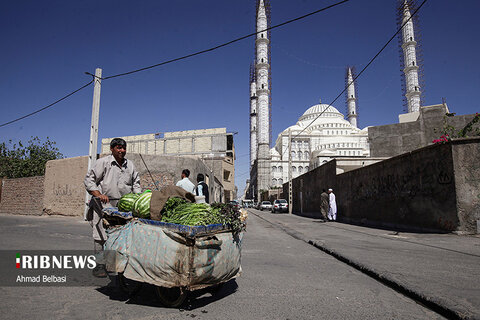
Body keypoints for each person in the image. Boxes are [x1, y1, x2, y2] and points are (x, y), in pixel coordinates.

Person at [84, 138, 141, 277]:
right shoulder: (103, 162)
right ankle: (99, 265)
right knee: (101, 236)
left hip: (122, 208)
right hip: (103, 206)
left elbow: (136, 184)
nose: (122, 150)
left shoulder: (130, 165)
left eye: (124, 148)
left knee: (122, 235)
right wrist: (99, 194)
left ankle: (119, 262)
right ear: (112, 149)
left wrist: (138, 200)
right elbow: (89, 180)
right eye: (118, 147)